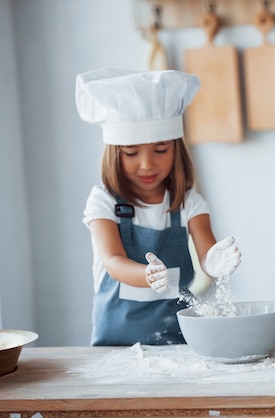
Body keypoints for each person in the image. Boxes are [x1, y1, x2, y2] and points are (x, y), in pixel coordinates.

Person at [76, 68, 241, 346]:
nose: (147, 164)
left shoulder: (189, 203)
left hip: (178, 343)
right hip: (114, 346)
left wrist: (214, 262)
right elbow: (113, 261)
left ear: (177, 150)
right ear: (115, 153)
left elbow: (206, 252)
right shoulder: (103, 202)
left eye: (161, 150)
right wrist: (145, 275)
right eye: (131, 153)